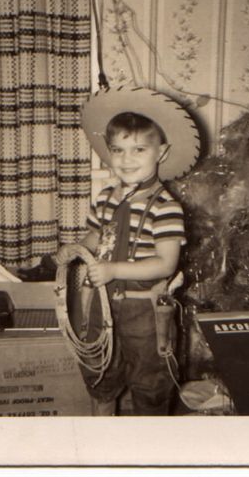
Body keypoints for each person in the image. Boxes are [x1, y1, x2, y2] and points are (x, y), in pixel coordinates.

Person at [56, 86, 201, 416]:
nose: (126, 159)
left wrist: (114, 270)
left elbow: (165, 264)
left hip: (144, 310)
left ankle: (145, 436)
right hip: (102, 303)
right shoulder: (106, 198)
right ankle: (103, 430)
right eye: (118, 150)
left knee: (150, 379)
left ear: (161, 152)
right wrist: (77, 248)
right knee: (100, 368)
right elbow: (96, 235)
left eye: (139, 149)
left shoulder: (165, 207)